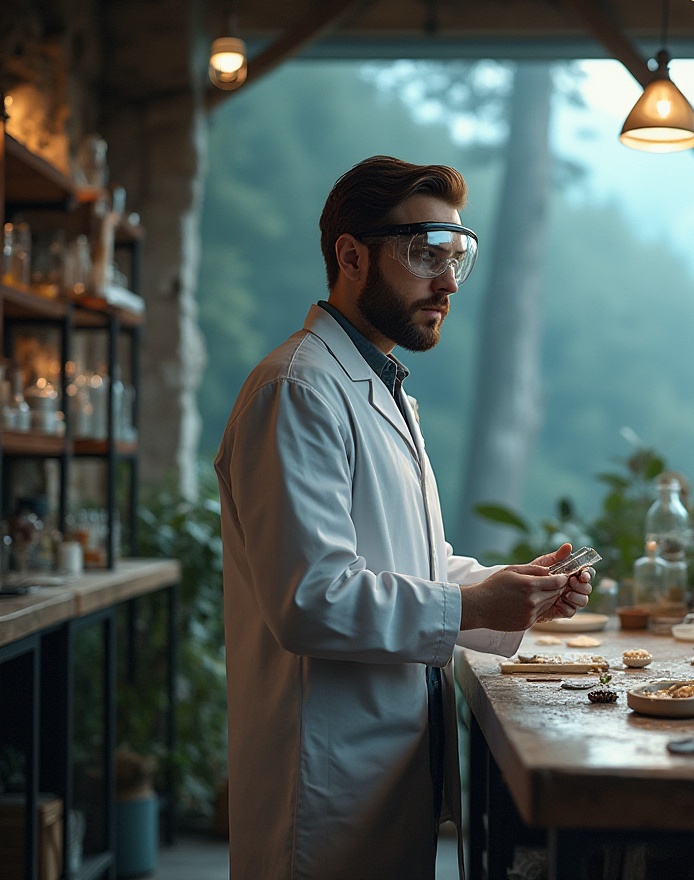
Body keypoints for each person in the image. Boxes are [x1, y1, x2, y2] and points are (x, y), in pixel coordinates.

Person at [215, 155, 593, 879]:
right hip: (323, 786)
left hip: (381, 769)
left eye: (458, 257)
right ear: (351, 255)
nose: (448, 282)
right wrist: (474, 602)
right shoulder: (298, 389)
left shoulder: (380, 388)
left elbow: (409, 566)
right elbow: (310, 599)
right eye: (426, 254)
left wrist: (514, 590)